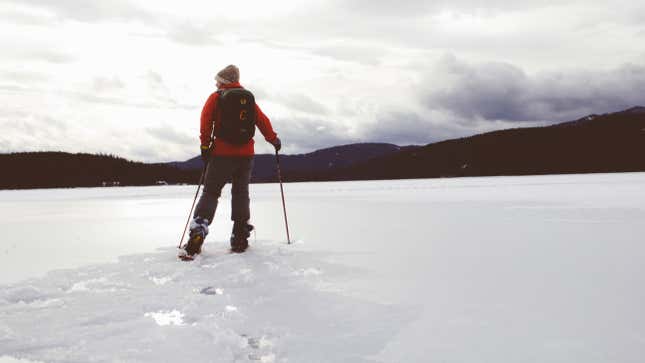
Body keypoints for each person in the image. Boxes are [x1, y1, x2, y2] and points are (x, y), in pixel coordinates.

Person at [183, 64, 281, 256]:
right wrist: (273, 139)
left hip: (221, 154)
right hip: (245, 155)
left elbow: (205, 121)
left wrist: (205, 146)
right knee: (241, 192)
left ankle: (199, 229)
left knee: (211, 192)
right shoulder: (248, 99)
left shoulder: (216, 97)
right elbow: (262, 120)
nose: (215, 83)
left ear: (223, 81)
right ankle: (240, 235)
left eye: (217, 80)